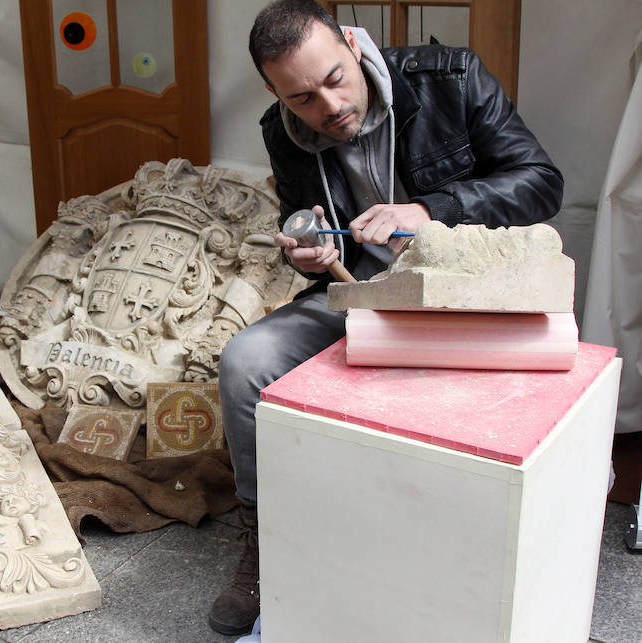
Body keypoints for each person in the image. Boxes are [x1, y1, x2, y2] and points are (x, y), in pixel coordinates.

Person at [207, 0, 564, 635]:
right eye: (302, 99)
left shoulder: (449, 77)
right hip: (361, 295)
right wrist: (315, 253)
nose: (329, 107)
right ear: (274, 92)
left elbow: (541, 182)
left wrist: (430, 210)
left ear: (353, 43)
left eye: (335, 79)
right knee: (246, 361)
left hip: (460, 295)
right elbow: (318, 245)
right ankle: (263, 542)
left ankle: (465, 553)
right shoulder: (280, 128)